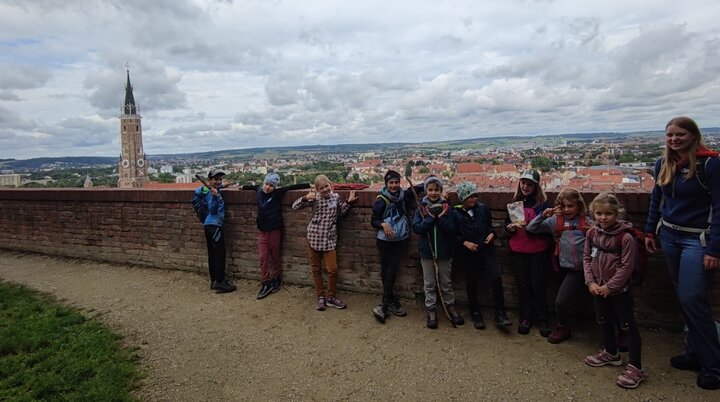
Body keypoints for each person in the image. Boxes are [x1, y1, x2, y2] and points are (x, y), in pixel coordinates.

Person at [644, 116, 720, 390]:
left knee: (693, 299)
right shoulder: (662, 164)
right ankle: (694, 353)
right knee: (685, 299)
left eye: (680, 134)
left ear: (693, 135)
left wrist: (714, 248)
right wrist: (650, 231)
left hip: (697, 240)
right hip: (671, 236)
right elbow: (657, 200)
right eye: (670, 135)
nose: (674, 139)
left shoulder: (711, 164)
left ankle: (714, 365)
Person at [583, 193, 645, 389]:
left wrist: (610, 287)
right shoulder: (592, 233)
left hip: (618, 290)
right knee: (603, 320)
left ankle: (636, 366)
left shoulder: (625, 237)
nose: (603, 217)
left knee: (627, 325)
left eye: (608, 213)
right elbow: (586, 258)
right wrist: (590, 282)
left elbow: (627, 267)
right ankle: (611, 352)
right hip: (597, 287)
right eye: (599, 213)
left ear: (617, 213)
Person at [527, 188, 592, 343]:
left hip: (590, 268)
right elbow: (531, 228)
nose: (567, 210)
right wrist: (543, 215)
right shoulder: (556, 221)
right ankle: (563, 327)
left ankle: (617, 332)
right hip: (571, 270)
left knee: (602, 302)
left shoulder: (587, 221)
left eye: (571, 206)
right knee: (561, 301)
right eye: (563, 206)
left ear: (579, 206)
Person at [451, 181, 512, 330]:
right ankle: (475, 312)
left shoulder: (482, 209)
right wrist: (464, 242)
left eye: (475, 196)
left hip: (486, 250)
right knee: (471, 283)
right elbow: (452, 234)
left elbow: (489, 226)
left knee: (496, 278)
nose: (475, 199)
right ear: (463, 198)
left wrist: (492, 234)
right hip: (468, 253)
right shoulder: (455, 213)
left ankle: (500, 313)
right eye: (471, 197)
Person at [292, 174, 357, 311]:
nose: (325, 190)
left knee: (332, 269)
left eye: (326, 186)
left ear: (331, 185)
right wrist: (305, 197)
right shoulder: (314, 198)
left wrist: (349, 202)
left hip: (329, 238)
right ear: (317, 189)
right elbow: (294, 206)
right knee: (316, 269)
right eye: (321, 188)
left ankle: (331, 296)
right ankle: (320, 296)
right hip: (314, 237)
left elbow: (340, 214)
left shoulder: (336, 197)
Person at [243, 173, 311, 299]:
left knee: (275, 256)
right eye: (266, 184)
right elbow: (250, 187)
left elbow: (293, 187)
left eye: (271, 185)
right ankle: (265, 282)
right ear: (263, 183)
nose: (268, 187)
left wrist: (309, 185)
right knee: (263, 257)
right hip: (262, 231)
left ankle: (277, 277)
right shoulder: (258, 190)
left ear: (275, 187)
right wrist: (241, 187)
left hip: (274, 230)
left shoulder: (278, 193)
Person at [370, 170, 423, 323]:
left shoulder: (404, 196)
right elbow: (373, 220)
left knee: (391, 269)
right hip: (385, 240)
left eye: (396, 182)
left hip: (400, 239)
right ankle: (388, 302)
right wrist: (382, 224)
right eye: (391, 183)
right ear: (386, 184)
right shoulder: (381, 200)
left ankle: (386, 303)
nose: (394, 185)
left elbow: (419, 188)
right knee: (386, 270)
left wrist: (433, 184)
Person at [412, 175, 462, 329]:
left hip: (445, 251)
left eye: (436, 190)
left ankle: (450, 306)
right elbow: (417, 228)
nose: (433, 193)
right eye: (430, 189)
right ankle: (431, 308)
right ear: (426, 190)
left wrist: (439, 219)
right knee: (429, 283)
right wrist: (429, 219)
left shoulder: (448, 209)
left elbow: (454, 230)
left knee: (446, 282)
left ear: (441, 191)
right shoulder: (421, 209)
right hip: (427, 252)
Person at [506, 168, 551, 336]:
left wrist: (531, 227)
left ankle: (542, 319)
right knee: (523, 286)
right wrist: (510, 228)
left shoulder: (542, 205)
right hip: (519, 249)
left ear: (536, 186)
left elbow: (546, 228)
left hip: (537, 250)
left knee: (538, 286)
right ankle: (525, 317)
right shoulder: (515, 203)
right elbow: (507, 224)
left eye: (529, 184)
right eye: (523, 183)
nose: (525, 186)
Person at [195, 170, 236, 293]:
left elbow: (214, 190)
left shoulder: (212, 190)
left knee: (212, 254)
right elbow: (212, 209)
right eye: (215, 179)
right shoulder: (210, 193)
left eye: (220, 179)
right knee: (219, 253)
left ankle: (214, 280)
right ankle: (220, 281)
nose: (218, 181)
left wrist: (222, 187)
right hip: (215, 226)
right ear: (209, 181)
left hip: (210, 225)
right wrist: (214, 197)